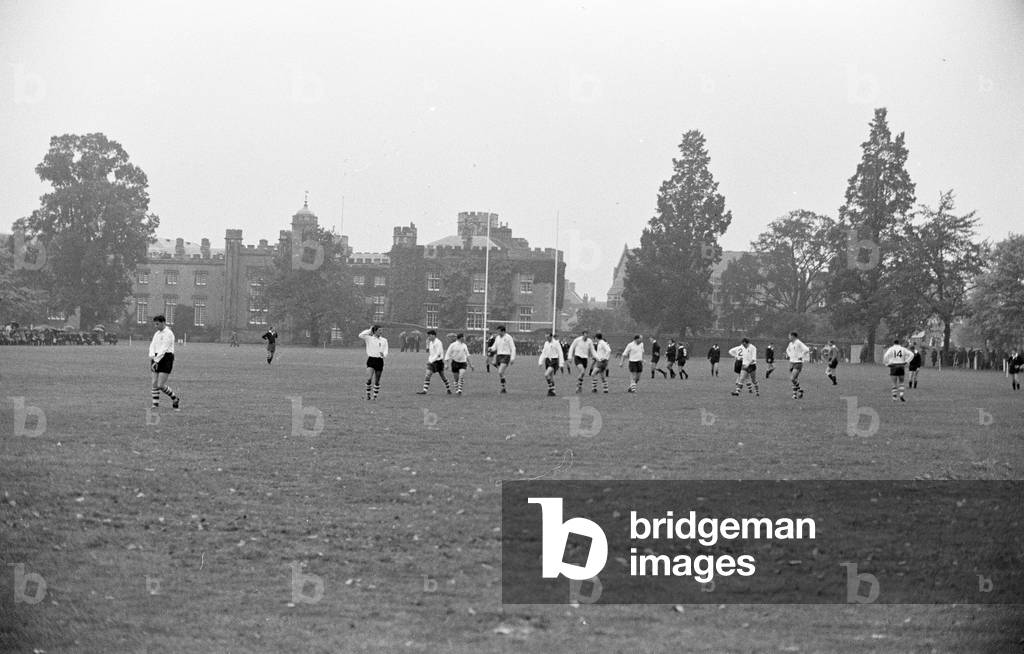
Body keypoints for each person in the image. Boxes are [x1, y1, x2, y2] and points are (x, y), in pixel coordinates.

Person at [148, 315, 181, 411]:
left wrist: (156, 361)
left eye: (157, 324)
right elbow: (152, 345)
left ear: (163, 322)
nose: (156, 326)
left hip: (166, 358)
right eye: (155, 324)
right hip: (156, 357)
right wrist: (152, 356)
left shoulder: (169, 333)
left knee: (160, 385)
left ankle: (175, 398)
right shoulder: (157, 334)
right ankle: (155, 405)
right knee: (154, 382)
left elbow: (164, 348)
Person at [359, 325, 389, 400]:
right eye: (379, 330)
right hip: (371, 360)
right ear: (375, 331)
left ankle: (375, 397)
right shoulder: (369, 338)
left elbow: (386, 350)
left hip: (379, 360)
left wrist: (384, 355)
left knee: (377, 380)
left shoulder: (384, 340)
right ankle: (368, 395)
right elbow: (360, 335)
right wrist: (369, 330)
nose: (381, 332)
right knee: (369, 378)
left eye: (381, 330)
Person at [417, 329, 451, 395]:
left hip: (438, 362)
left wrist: (432, 360)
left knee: (443, 376)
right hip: (432, 362)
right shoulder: (430, 343)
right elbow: (430, 353)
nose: (428, 337)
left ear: (433, 335)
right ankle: (424, 391)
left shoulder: (438, 342)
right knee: (427, 375)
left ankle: (448, 389)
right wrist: (430, 360)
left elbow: (438, 354)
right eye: (428, 336)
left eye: (429, 336)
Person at [489, 325, 516, 393]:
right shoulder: (497, 338)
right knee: (499, 370)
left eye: (499, 331)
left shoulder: (508, 337)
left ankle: (503, 385)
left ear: (503, 331)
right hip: (499, 356)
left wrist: (512, 358)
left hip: (506, 356)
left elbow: (513, 348)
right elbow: (495, 346)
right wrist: (491, 348)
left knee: (500, 371)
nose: (497, 332)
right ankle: (503, 388)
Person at [568, 329, 595, 393]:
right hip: (577, 357)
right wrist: (570, 357)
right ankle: (578, 386)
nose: (587, 335)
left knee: (582, 374)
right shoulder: (577, 340)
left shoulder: (589, 341)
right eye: (586, 334)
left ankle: (579, 387)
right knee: (582, 371)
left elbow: (592, 350)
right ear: (583, 334)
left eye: (588, 334)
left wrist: (597, 357)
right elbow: (572, 347)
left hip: (585, 358)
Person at [786, 332, 809, 400]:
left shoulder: (798, 342)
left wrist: (801, 356)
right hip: (791, 362)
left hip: (798, 363)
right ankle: (795, 395)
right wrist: (790, 355)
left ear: (793, 336)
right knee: (795, 379)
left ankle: (800, 389)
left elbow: (806, 349)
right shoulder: (790, 344)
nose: (788, 337)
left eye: (789, 336)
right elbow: (787, 350)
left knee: (792, 378)